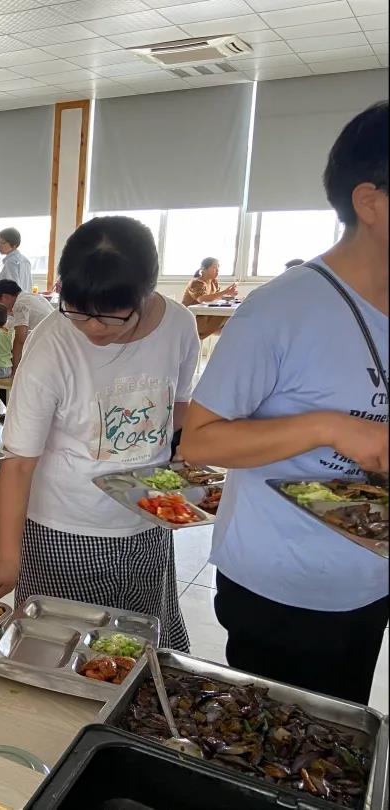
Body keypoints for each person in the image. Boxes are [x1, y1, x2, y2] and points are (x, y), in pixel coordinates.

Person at [180, 102, 388, 704]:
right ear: (370, 202)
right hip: (279, 586)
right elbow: (200, 440)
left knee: (343, 728)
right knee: (273, 741)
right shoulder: (281, 310)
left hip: (369, 578)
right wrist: (329, 427)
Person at [0, 216, 199, 652]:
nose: (93, 327)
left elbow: (180, 407)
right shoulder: (52, 343)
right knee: (59, 653)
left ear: (146, 292)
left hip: (147, 525)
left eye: (111, 317)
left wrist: (183, 471)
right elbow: (18, 462)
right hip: (64, 531)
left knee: (138, 650)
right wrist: (7, 559)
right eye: (78, 311)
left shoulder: (179, 325)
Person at [0, 279, 53, 373]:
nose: (2, 307)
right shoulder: (33, 296)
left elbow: (20, 340)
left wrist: (15, 369)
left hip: (45, 349)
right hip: (53, 344)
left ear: (6, 297)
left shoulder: (20, 304)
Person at [182, 257, 238, 340]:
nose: (217, 270)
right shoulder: (196, 283)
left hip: (207, 316)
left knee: (234, 319)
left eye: (218, 267)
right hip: (194, 320)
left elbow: (216, 297)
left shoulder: (213, 282)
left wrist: (229, 294)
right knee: (232, 318)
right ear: (203, 269)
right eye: (214, 267)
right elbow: (202, 299)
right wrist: (225, 292)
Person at [0, 227, 35, 291]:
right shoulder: (25, 260)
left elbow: (13, 289)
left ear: (14, 244)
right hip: (25, 296)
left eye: (2, 242)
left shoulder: (11, 262)